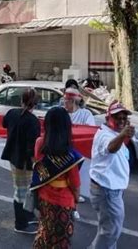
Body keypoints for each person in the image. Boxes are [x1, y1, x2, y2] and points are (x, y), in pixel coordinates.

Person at [32, 107, 83, 249]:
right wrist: (77, 198)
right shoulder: (69, 154)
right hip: (63, 204)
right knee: (61, 242)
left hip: (43, 199)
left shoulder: (39, 143)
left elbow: (40, 169)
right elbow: (75, 183)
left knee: (45, 233)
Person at [88, 101, 135, 249]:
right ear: (109, 118)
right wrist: (122, 135)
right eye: (117, 118)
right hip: (107, 191)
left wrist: (123, 135)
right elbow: (110, 148)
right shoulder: (105, 136)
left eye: (124, 118)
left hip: (112, 189)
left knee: (107, 228)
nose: (121, 121)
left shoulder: (113, 133)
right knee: (111, 231)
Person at [1, 88, 41, 234]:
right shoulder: (33, 121)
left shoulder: (12, 113)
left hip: (13, 157)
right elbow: (32, 147)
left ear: (21, 100)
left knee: (22, 189)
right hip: (25, 162)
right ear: (35, 104)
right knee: (22, 191)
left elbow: (4, 124)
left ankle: (26, 215)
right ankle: (20, 223)